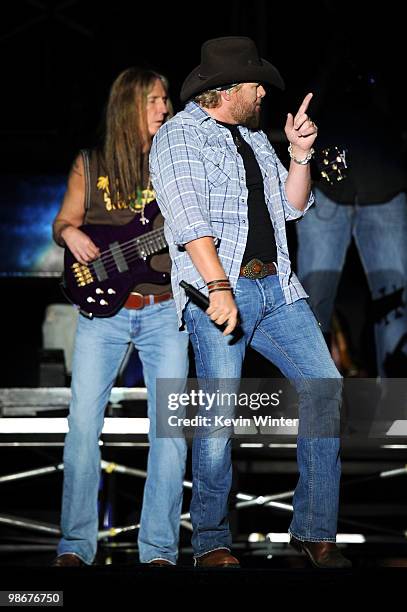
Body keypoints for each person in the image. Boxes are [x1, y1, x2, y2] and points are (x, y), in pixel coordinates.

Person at [150, 36, 351, 569]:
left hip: (277, 288)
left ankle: (314, 530)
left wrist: (300, 155)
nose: (264, 92)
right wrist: (217, 289)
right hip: (224, 285)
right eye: (256, 84)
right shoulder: (177, 137)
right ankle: (212, 542)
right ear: (228, 89)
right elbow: (189, 220)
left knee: (325, 388)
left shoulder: (256, 138)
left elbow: (293, 207)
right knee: (217, 418)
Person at [52, 67, 189, 567]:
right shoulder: (90, 164)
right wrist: (71, 235)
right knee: (83, 426)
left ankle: (159, 552)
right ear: (129, 106)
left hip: (164, 312)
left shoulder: (176, 163)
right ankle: (73, 548)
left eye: (165, 99)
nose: (164, 108)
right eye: (154, 100)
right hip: (102, 315)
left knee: (169, 432)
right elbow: (63, 220)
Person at [296, 50, 407, 377]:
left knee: (395, 305)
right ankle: (317, 404)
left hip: (385, 184)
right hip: (328, 187)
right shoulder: (326, 46)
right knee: (314, 302)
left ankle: (396, 409)